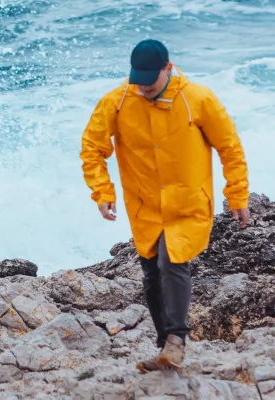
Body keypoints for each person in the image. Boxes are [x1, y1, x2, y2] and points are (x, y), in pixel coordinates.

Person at [79, 38, 250, 371]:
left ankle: (176, 341)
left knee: (173, 261)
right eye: (137, 80)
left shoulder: (197, 99)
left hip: (188, 203)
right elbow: (92, 148)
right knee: (151, 275)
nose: (143, 87)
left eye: (149, 80)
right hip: (145, 206)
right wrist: (102, 191)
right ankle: (164, 348)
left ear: (168, 69)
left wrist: (237, 194)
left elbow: (229, 146)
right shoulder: (117, 101)